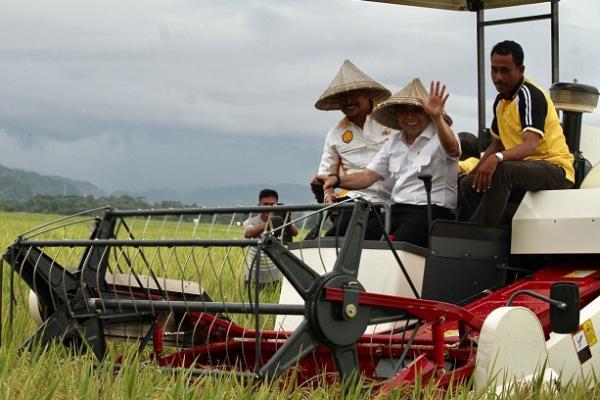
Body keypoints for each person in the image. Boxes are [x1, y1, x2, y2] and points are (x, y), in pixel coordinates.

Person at [316, 78, 460, 248]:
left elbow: (453, 149)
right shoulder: (394, 142)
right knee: (354, 240)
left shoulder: (442, 136)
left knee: (390, 248)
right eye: (404, 111)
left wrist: (437, 118)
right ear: (397, 116)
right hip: (395, 210)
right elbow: (367, 176)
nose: (410, 117)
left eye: (417, 110)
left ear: (428, 113)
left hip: (431, 212)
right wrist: (336, 180)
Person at [459, 40, 574, 225]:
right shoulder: (500, 102)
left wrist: (496, 158)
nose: (498, 77)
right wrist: (473, 172)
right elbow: (496, 144)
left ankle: (479, 233)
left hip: (555, 168)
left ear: (520, 70)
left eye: (505, 71)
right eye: (494, 70)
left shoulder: (529, 95)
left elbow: (531, 144)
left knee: (504, 170)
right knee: (468, 183)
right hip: (525, 168)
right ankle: (500, 231)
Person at [315, 60, 394, 239]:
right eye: (342, 96)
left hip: (396, 200)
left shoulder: (391, 121)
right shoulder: (335, 134)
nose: (348, 100)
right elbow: (325, 176)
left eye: (354, 94)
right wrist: (328, 196)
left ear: (367, 94)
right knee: (337, 236)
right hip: (356, 200)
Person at [243, 189, 297, 285]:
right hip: (253, 276)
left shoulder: (281, 221)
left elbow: (295, 232)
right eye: (266, 204)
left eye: (272, 205)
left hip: (274, 276)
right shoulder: (251, 222)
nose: (269, 207)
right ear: (259, 206)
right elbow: (249, 233)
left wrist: (286, 218)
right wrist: (270, 222)